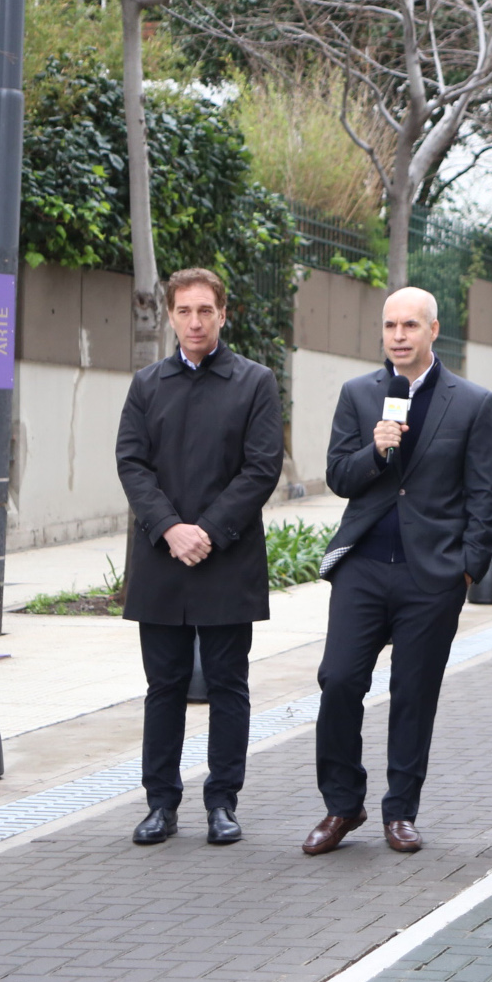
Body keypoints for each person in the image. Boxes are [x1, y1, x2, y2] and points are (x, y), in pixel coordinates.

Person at [304, 287, 492, 856]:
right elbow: (339, 476)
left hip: (432, 575)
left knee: (413, 693)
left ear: (433, 330)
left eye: (410, 325)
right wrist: (375, 451)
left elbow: (487, 493)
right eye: (390, 325)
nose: (398, 336)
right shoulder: (359, 394)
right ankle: (343, 805)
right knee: (338, 680)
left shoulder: (472, 402)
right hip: (364, 566)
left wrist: (468, 568)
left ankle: (401, 812)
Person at [116, 267, 285, 846]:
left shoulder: (255, 382)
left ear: (223, 314)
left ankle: (222, 803)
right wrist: (169, 529)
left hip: (227, 558)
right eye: (184, 311)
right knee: (163, 687)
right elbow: (131, 463)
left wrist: (207, 531)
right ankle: (160, 804)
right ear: (170, 316)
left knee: (228, 684)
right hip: (161, 558)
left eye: (205, 311)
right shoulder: (146, 384)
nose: (195, 322)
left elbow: (261, 467)